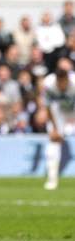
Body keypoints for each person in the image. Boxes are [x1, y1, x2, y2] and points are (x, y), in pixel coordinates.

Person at [42, 58, 75, 190]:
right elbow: (49, 108)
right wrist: (55, 129)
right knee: (53, 143)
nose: (61, 85)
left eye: (64, 82)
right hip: (59, 113)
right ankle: (52, 179)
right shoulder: (49, 84)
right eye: (59, 82)